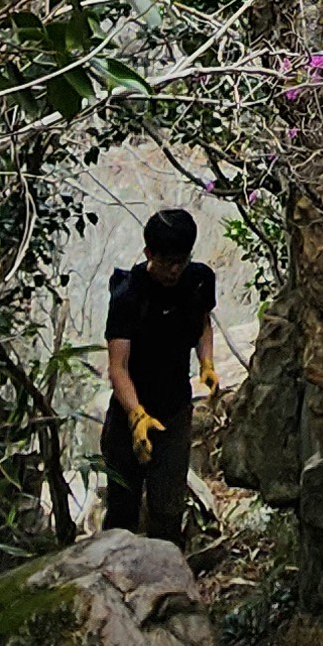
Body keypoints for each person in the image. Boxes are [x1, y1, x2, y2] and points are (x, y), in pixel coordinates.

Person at [102, 205, 218, 548]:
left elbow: (203, 324)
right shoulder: (128, 295)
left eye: (181, 260)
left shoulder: (198, 281)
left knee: (167, 510)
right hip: (128, 419)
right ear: (149, 254)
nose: (175, 270)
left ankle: (169, 573)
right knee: (122, 511)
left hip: (174, 412)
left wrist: (207, 362)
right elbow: (118, 367)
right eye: (167, 262)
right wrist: (136, 415)